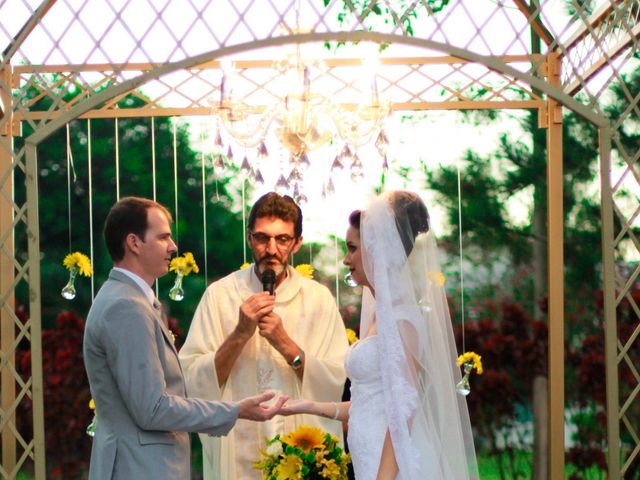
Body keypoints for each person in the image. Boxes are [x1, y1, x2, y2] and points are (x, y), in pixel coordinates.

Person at [83, 196, 287, 480]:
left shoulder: (128, 299)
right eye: (163, 237)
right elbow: (152, 408)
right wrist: (235, 410)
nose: (173, 246)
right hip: (140, 468)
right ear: (134, 243)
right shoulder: (126, 306)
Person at [280, 191, 479, 479]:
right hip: (368, 456)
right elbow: (369, 403)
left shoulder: (402, 320)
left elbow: (404, 410)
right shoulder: (378, 314)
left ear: (375, 249)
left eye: (352, 248)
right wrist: (306, 406)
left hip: (392, 467)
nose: (347, 259)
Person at [179, 192, 349, 479]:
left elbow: (336, 384)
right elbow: (194, 383)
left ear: (297, 243)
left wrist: (285, 344)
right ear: (249, 239)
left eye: (282, 239)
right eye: (262, 238)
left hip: (304, 453)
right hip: (237, 453)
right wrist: (240, 334)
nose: (271, 249)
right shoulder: (220, 296)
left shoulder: (318, 299)